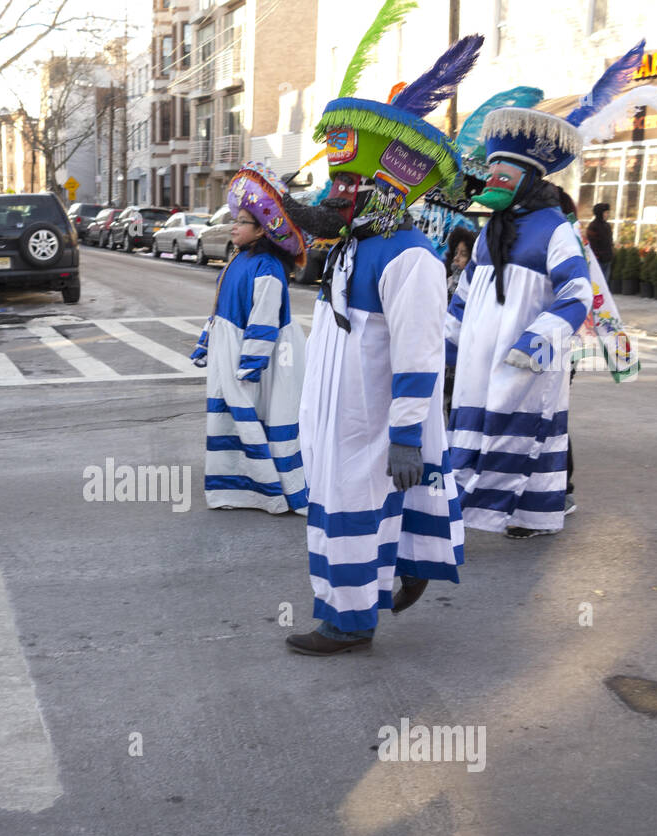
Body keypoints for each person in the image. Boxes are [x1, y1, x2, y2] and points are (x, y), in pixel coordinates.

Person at [275, 3, 481, 655]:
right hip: (338, 420)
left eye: (345, 188)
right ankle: (387, 578)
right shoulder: (356, 245)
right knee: (339, 516)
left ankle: (351, 622)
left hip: (372, 424)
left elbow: (421, 353)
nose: (333, 200)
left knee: (357, 521)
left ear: (382, 191)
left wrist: (402, 438)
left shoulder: (411, 257)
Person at [446, 43, 646, 539]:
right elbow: (466, 292)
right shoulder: (491, 232)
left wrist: (535, 345)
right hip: (479, 354)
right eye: (490, 172)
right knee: (482, 428)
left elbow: (577, 293)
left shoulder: (556, 229)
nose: (491, 180)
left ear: (526, 181)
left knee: (527, 432)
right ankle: (487, 511)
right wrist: (445, 345)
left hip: (527, 353)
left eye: (502, 174)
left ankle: (530, 515)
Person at [189, 162, 307, 513]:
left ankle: (271, 490)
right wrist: (206, 342)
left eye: (242, 221)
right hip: (231, 353)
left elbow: (264, 319)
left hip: (265, 360)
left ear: (261, 231)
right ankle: (236, 490)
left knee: (257, 420)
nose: (234, 226)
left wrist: (251, 365)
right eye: (236, 219)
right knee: (233, 418)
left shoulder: (267, 267)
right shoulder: (236, 260)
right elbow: (219, 308)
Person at [585, 202, 614, 282]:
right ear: (600, 213)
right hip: (598, 260)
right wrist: (598, 255)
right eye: (606, 212)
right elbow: (592, 244)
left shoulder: (607, 226)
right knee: (598, 283)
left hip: (607, 259)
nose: (608, 214)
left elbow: (609, 241)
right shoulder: (593, 226)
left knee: (605, 283)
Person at [446, 226, 476, 298]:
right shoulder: (447, 283)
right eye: (456, 253)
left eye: (463, 254)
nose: (456, 258)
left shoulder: (472, 288)